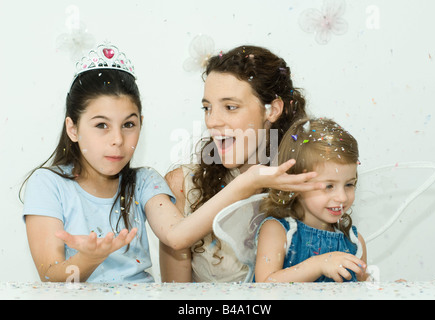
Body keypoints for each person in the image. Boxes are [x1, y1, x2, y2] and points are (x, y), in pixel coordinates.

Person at [21, 43, 318, 283]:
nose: (117, 140)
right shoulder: (49, 184)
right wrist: (89, 258)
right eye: (101, 125)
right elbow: (51, 275)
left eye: (128, 125)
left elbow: (177, 235)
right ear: (72, 128)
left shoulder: (144, 182)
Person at [160, 45, 323, 283]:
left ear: (273, 110)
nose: (212, 121)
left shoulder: (310, 182)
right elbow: (176, 298)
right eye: (207, 108)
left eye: (230, 107)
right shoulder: (184, 185)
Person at [255, 118, 369, 283]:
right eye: (329, 186)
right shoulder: (278, 231)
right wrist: (318, 265)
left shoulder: (354, 242)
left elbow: (363, 291)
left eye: (349, 184)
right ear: (296, 184)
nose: (342, 197)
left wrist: (388, 290)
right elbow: (264, 286)